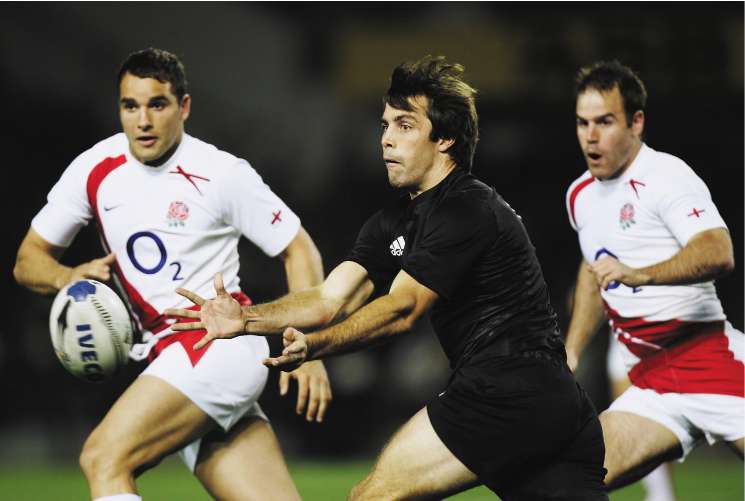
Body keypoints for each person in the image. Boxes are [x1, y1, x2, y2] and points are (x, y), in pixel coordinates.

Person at [169, 55, 608, 500]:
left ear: (446, 138)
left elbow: (403, 309)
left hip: (505, 392)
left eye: (404, 126)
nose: (386, 140)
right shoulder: (391, 222)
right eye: (384, 126)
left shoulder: (466, 208)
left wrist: (315, 346)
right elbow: (327, 299)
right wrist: (245, 319)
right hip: (550, 403)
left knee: (370, 498)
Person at [13, 47, 332, 501]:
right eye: (130, 106)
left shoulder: (221, 173)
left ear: (183, 107)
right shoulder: (94, 169)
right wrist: (68, 277)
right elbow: (28, 261)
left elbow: (298, 248)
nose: (143, 120)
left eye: (157, 104)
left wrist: (310, 344)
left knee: (103, 458)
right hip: (168, 358)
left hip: (216, 345)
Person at [564, 60, 744, 491]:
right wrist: (570, 351)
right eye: (582, 123)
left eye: (605, 122)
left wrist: (640, 274)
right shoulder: (580, 196)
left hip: (712, 363)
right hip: (652, 385)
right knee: (566, 481)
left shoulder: (667, 176)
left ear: (636, 122)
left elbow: (718, 251)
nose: (591, 135)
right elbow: (593, 273)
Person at [606, 333, 677, 501]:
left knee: (656, 420)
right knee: (627, 421)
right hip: (621, 340)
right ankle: (661, 493)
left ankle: (662, 493)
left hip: (655, 339)